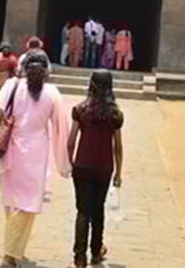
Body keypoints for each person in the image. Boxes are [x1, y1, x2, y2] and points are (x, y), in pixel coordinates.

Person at [0, 51, 71, 268]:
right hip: (36, 155)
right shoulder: (52, 93)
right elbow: (62, 129)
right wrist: (64, 163)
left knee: (12, 202)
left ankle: (13, 250)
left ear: (22, 67)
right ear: (47, 70)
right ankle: (10, 255)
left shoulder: (11, 86)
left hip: (9, 152)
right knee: (26, 205)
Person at [67, 71, 125, 268]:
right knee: (98, 208)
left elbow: (71, 141)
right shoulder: (115, 114)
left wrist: (70, 161)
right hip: (104, 167)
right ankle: (96, 251)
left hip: (82, 166)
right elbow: (118, 147)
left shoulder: (80, 110)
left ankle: (79, 257)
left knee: (83, 211)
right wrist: (118, 173)